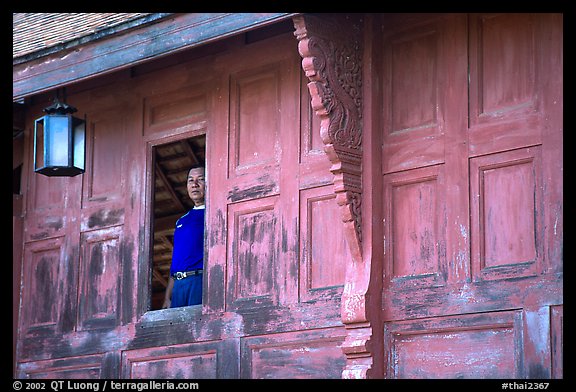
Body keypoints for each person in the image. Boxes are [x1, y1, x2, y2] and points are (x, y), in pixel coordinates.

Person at [162, 166, 206, 309]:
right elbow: (176, 261)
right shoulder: (181, 221)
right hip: (179, 286)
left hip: (199, 281)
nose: (195, 184)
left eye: (201, 179)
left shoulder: (213, 213)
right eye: (190, 180)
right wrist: (168, 297)